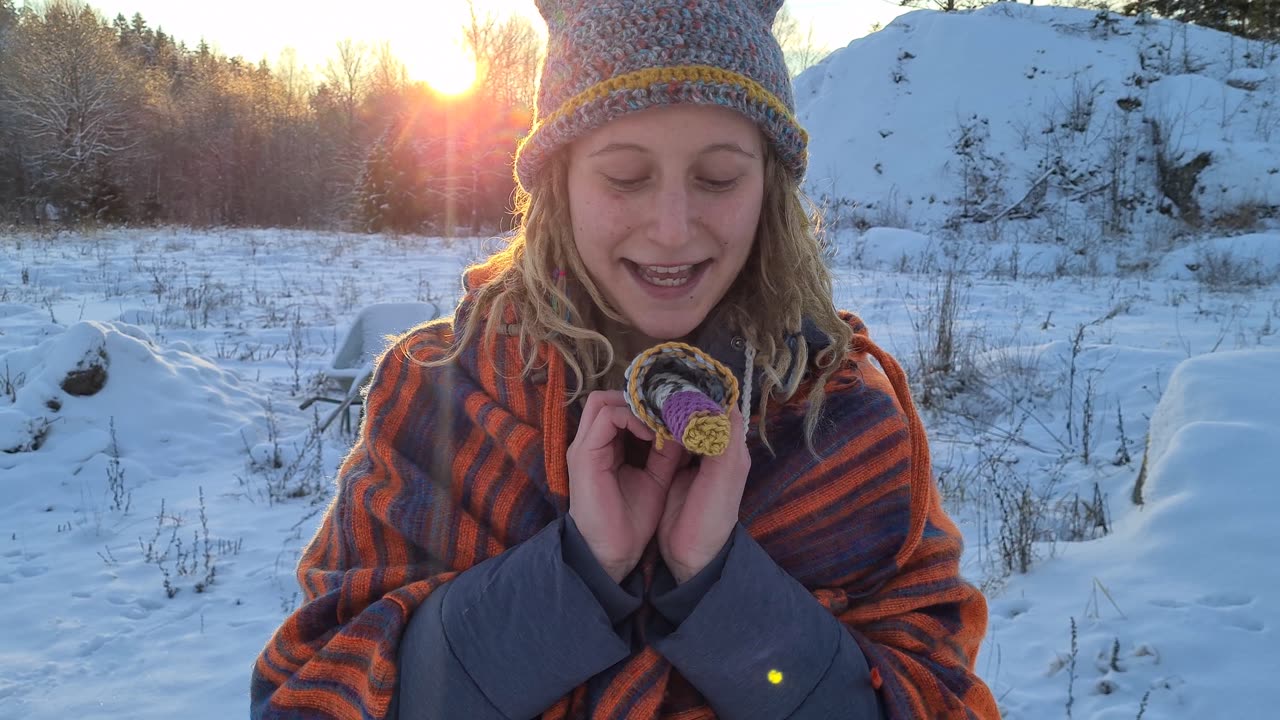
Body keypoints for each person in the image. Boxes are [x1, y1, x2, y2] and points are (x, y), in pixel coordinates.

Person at [251, 0, 1000, 717]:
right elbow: (313, 694)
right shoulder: (442, 397)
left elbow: (933, 699)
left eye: (718, 178)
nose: (672, 229)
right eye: (624, 177)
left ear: (769, 190)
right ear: (560, 185)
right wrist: (577, 571)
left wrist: (720, 584)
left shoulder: (846, 419)